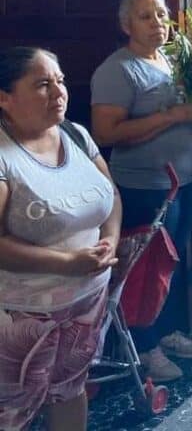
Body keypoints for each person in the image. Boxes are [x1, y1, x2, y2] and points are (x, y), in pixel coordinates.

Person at [90, 0, 192, 383]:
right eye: (146, 16)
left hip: (185, 180)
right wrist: (174, 116)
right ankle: (145, 347)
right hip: (146, 187)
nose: (158, 23)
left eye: (161, 14)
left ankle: (167, 331)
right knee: (144, 271)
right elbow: (107, 133)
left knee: (171, 265)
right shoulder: (118, 70)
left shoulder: (171, 59)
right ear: (127, 26)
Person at [0, 47, 120, 431]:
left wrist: (110, 238)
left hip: (86, 301)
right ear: (5, 98)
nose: (58, 92)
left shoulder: (75, 134)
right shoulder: (4, 156)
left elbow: (110, 194)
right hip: (23, 313)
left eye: (60, 80)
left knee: (70, 388)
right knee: (13, 409)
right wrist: (67, 263)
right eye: (42, 84)